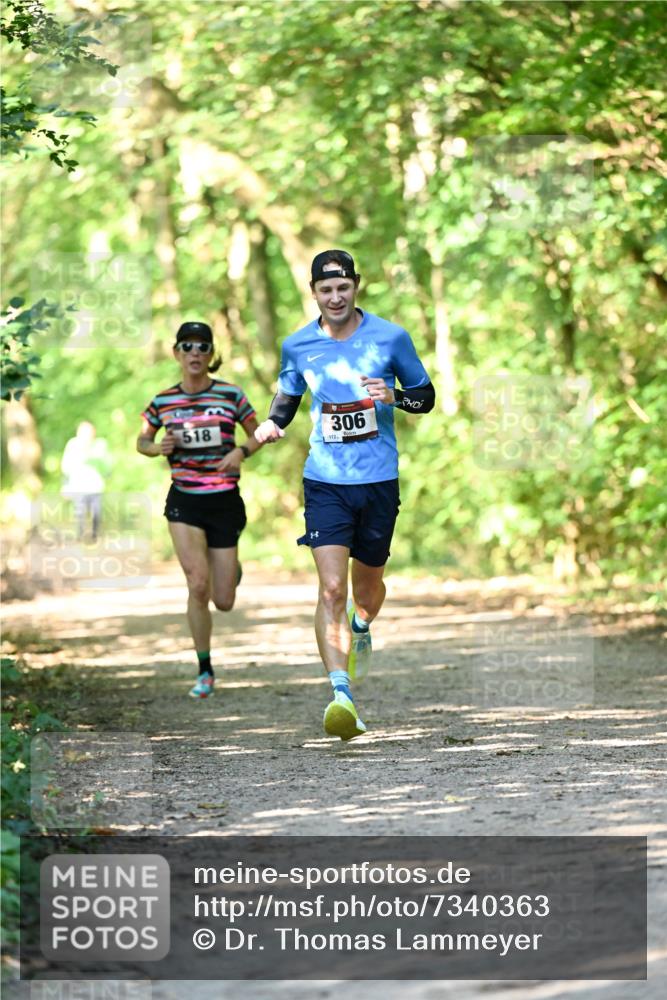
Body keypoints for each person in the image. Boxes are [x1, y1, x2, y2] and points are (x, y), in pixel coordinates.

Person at [255, 250, 435, 740]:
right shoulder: (298, 346)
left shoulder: (391, 337)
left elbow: (426, 397)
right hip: (325, 481)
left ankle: (361, 625)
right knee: (332, 588)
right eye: (325, 290)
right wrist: (270, 425)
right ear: (313, 293)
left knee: (367, 589)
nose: (335, 297)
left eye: (343, 288)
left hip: (377, 482)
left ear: (357, 286)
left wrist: (394, 396)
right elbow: (287, 400)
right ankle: (341, 697)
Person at [137, 321, 263, 699]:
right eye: (187, 347)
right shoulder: (162, 401)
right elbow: (142, 440)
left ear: (211, 355)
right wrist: (156, 448)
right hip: (184, 500)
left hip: (224, 501)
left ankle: (231, 571)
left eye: (202, 347)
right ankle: (205, 670)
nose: (195, 353)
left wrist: (240, 451)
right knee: (197, 584)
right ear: (176, 353)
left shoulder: (230, 395)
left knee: (223, 600)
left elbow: (259, 432)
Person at [61, 421, 112, 541]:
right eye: (84, 432)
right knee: (80, 514)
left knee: (96, 513)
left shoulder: (100, 445)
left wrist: (105, 469)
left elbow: (107, 466)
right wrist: (65, 485)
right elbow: (65, 467)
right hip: (78, 486)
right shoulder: (72, 445)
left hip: (96, 486)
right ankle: (80, 536)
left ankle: (95, 536)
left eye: (89, 432)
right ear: (78, 433)